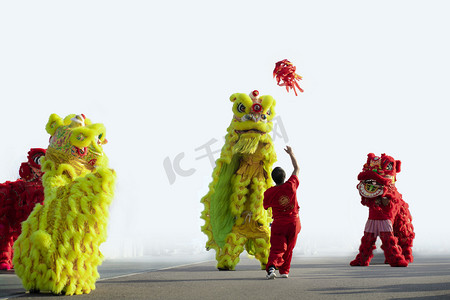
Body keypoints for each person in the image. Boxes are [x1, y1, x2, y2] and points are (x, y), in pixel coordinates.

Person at [263, 146, 301, 279]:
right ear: (285, 177)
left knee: (277, 248)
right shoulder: (291, 185)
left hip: (279, 224)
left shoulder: (269, 192)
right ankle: (284, 271)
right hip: (293, 223)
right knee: (289, 248)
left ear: (273, 178)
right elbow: (296, 168)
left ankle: (272, 268)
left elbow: (265, 206)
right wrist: (291, 153)